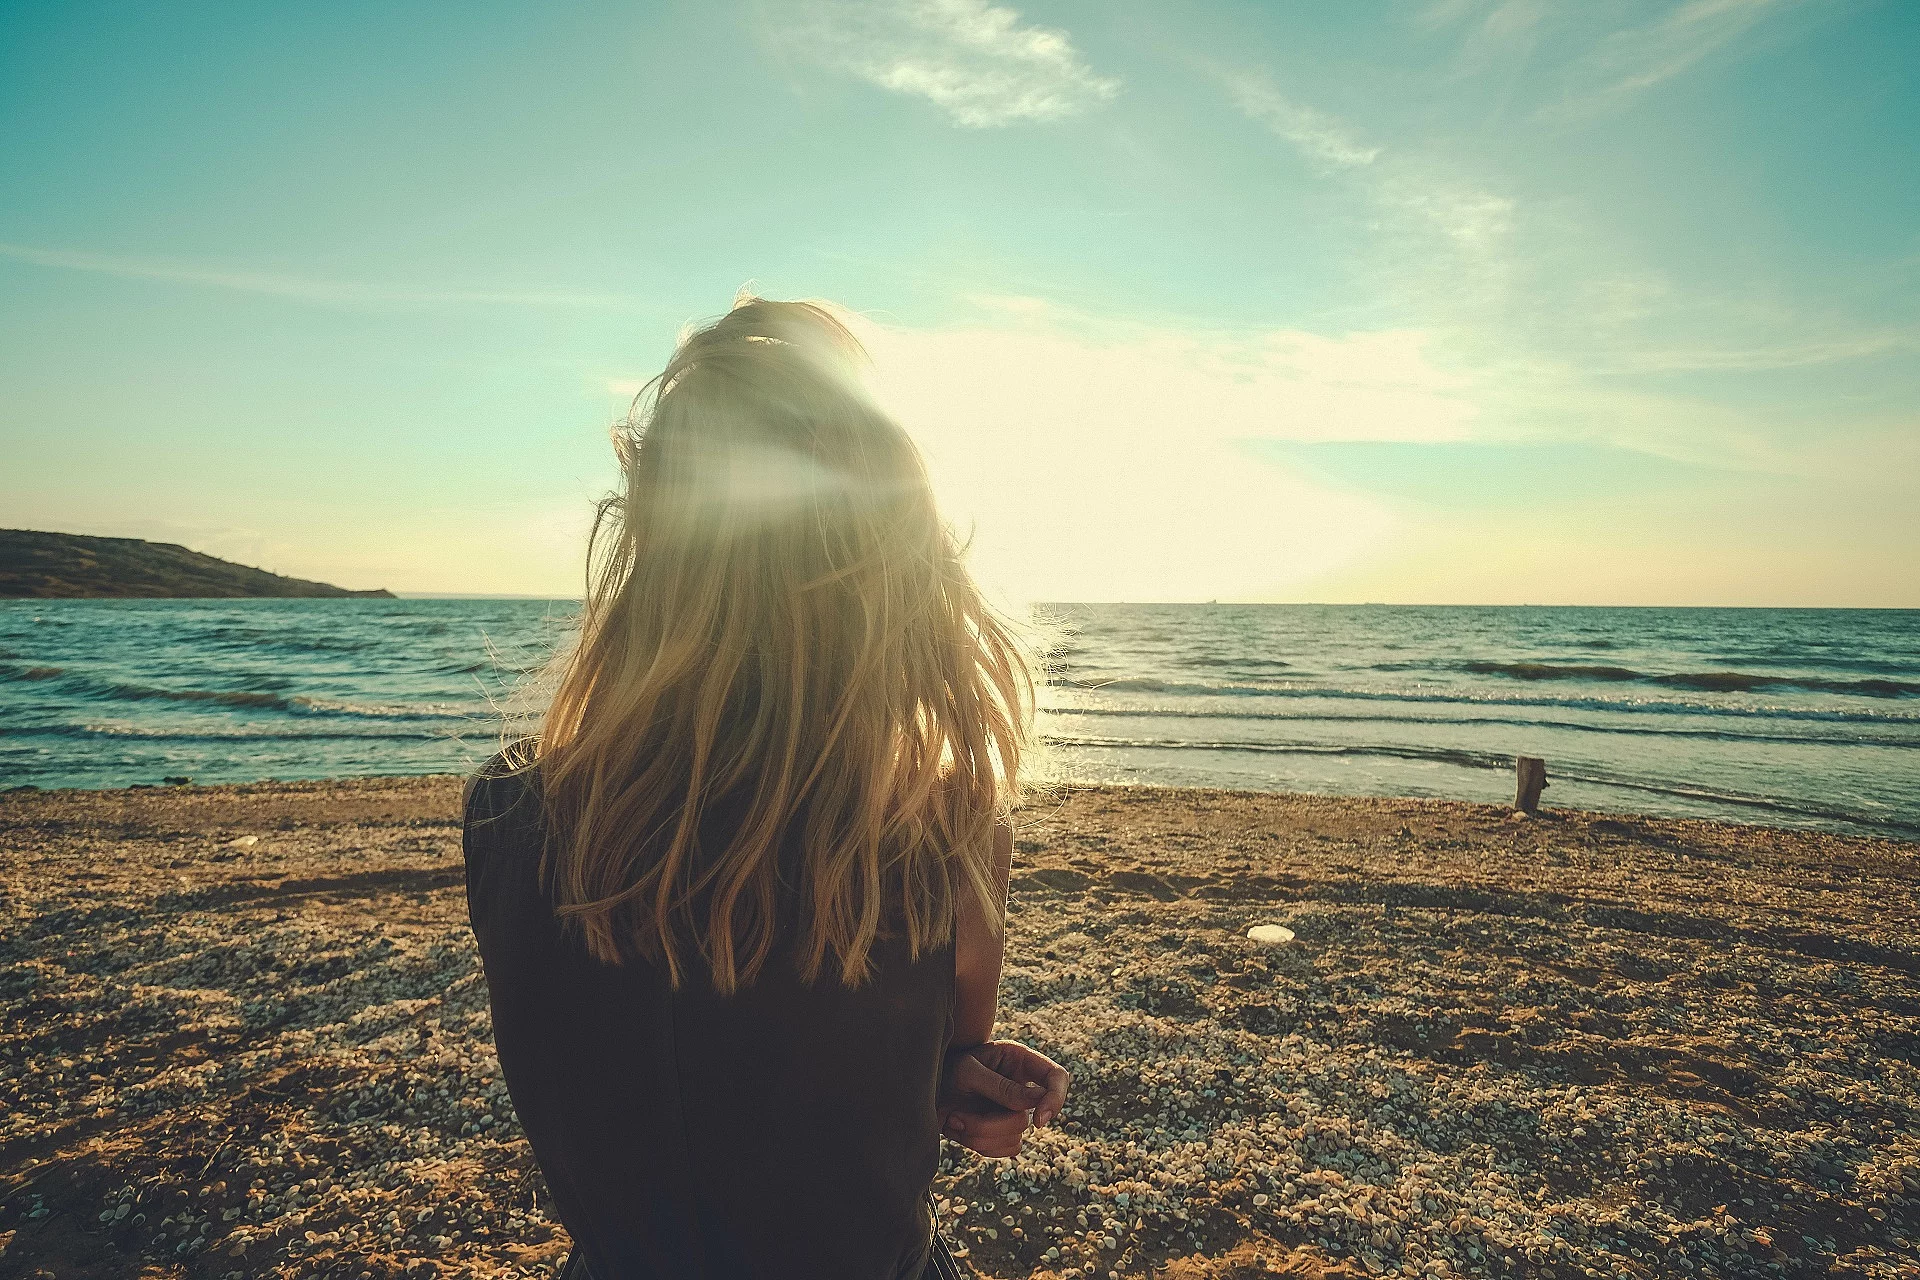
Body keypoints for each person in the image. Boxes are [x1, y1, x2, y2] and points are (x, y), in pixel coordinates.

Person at [462, 295, 1069, 1280]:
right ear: (896, 559)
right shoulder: (944, 829)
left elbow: (643, 1068)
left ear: (647, 541)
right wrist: (957, 1079)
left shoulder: (508, 814)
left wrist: (934, 1071)